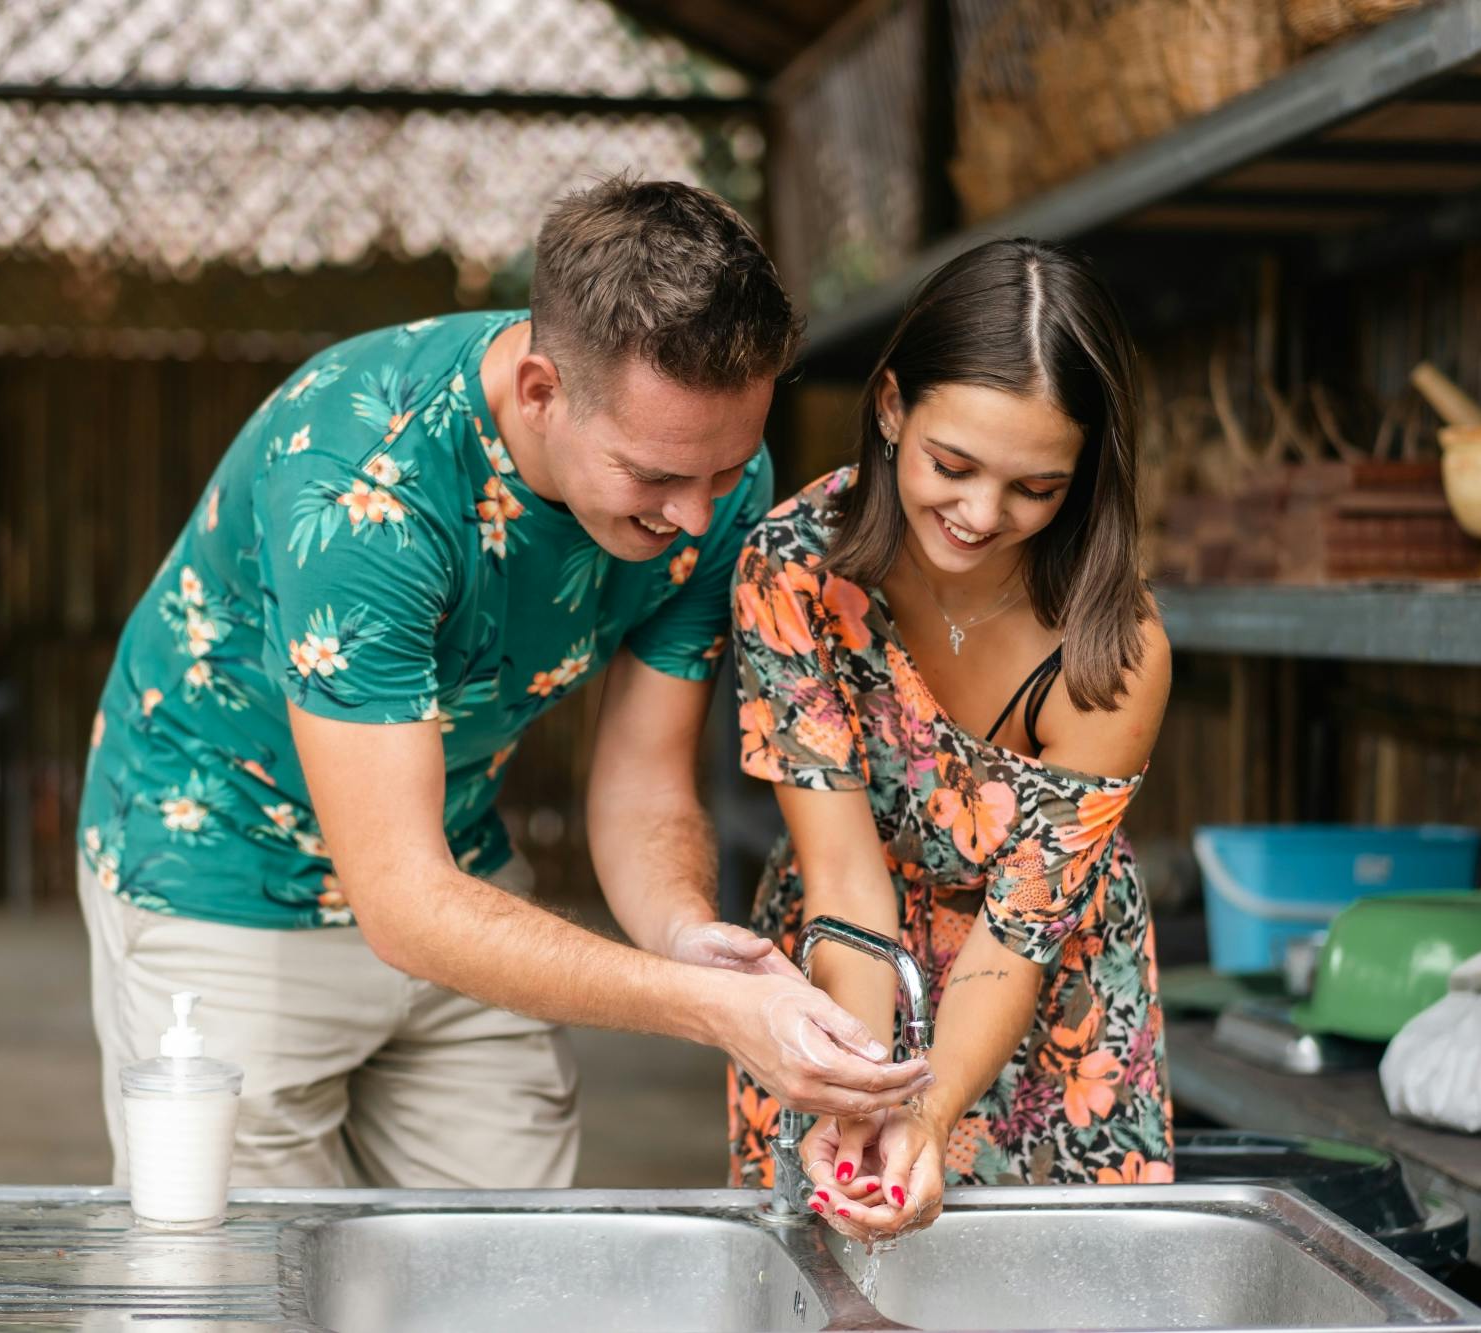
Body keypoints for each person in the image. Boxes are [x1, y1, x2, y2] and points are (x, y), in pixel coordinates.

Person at [77, 175, 933, 1191]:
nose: (698, 518)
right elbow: (402, 905)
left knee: (514, 1259)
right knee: (252, 1281)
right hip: (220, 872)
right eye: (653, 477)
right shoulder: (365, 492)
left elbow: (643, 780)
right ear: (538, 390)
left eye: (723, 473)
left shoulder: (702, 471)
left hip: (452, 853)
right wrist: (702, 1009)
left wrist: (680, 933)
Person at [727, 237, 1175, 1239]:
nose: (980, 514)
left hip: (1051, 995)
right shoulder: (791, 570)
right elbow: (843, 878)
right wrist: (864, 1096)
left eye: (1035, 487)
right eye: (952, 465)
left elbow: (1015, 941)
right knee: (830, 1269)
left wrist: (926, 1111)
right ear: (890, 407)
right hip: (849, 984)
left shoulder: (1115, 648)